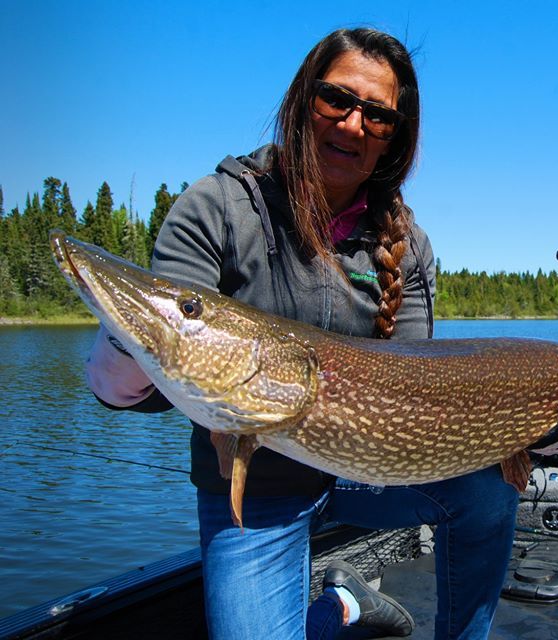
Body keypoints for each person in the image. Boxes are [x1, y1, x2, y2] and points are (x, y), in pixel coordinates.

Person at [84, 28, 519, 639]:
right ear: (301, 99)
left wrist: (536, 430)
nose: (353, 125)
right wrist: (126, 334)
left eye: (377, 115)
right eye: (336, 99)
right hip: (256, 490)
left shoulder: (407, 243)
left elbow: (419, 385)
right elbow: (134, 386)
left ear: (394, 137)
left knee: (492, 487)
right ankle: (344, 606)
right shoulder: (216, 209)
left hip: (366, 472)